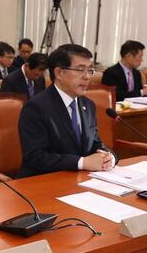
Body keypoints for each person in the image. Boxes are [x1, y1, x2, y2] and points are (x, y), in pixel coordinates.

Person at [18, 44, 116, 177]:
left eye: (90, 70)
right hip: (45, 181)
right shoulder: (36, 107)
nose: (87, 77)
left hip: (80, 179)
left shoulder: (88, 105)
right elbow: (35, 157)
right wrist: (81, 162)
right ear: (59, 73)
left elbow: (95, 143)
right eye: (80, 70)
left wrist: (109, 157)